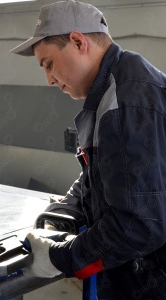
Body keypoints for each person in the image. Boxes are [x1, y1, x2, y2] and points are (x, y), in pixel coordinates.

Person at [10, 0, 166, 299]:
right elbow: (101, 175)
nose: (49, 79)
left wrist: (60, 257)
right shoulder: (119, 84)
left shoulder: (125, 103)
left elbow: (137, 228)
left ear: (78, 42)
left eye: (49, 64)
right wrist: (63, 211)